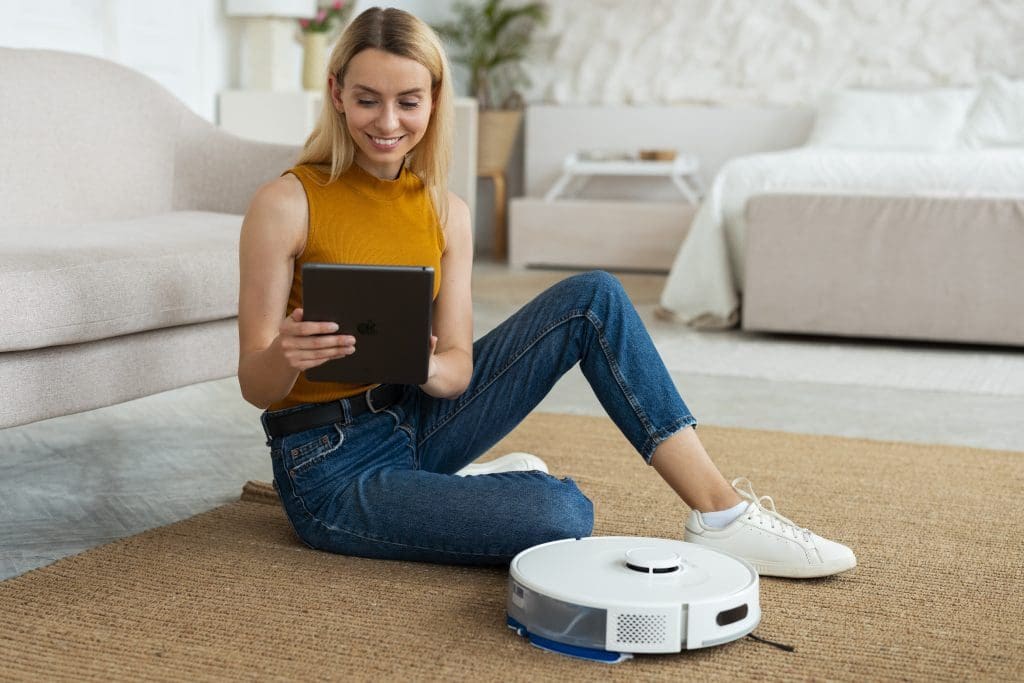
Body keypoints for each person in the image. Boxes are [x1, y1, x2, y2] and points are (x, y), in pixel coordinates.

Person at [237, 7, 855, 578]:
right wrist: (285, 355)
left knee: (595, 296)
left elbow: (456, 370)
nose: (389, 122)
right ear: (338, 94)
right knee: (561, 514)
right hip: (329, 464)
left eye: (408, 102)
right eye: (368, 100)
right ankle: (454, 490)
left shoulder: (445, 212)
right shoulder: (286, 203)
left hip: (416, 417)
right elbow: (254, 386)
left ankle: (722, 516)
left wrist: (419, 360)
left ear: (434, 101)